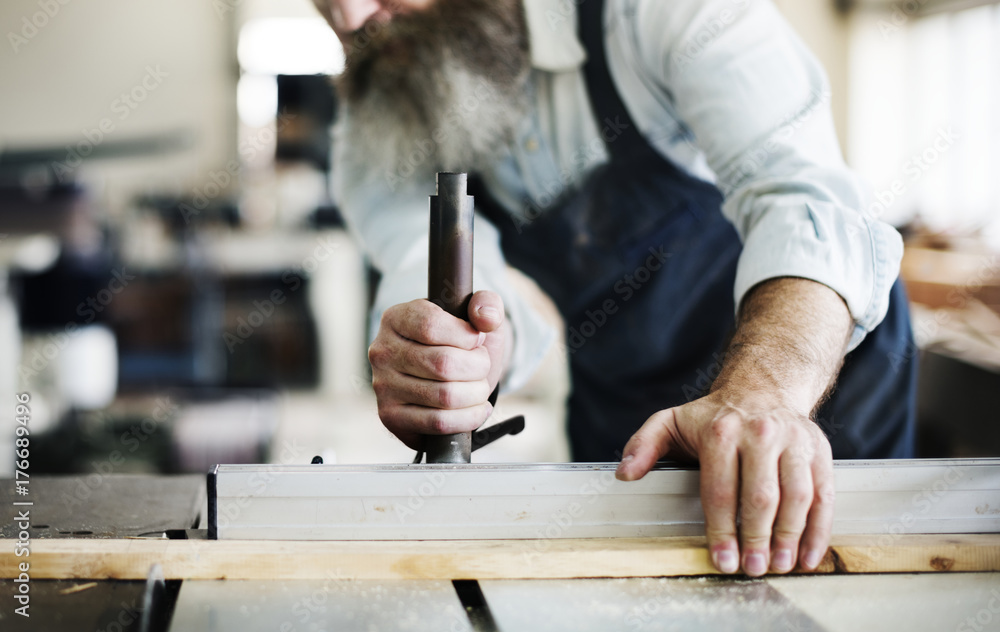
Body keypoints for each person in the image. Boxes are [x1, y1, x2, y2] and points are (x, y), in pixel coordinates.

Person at [311, 0, 918, 577]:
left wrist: (763, 397)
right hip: (626, 405)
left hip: (807, 388)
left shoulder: (655, 14)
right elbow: (428, 265)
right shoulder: (384, 110)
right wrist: (454, 358)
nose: (352, 17)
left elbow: (802, 201)